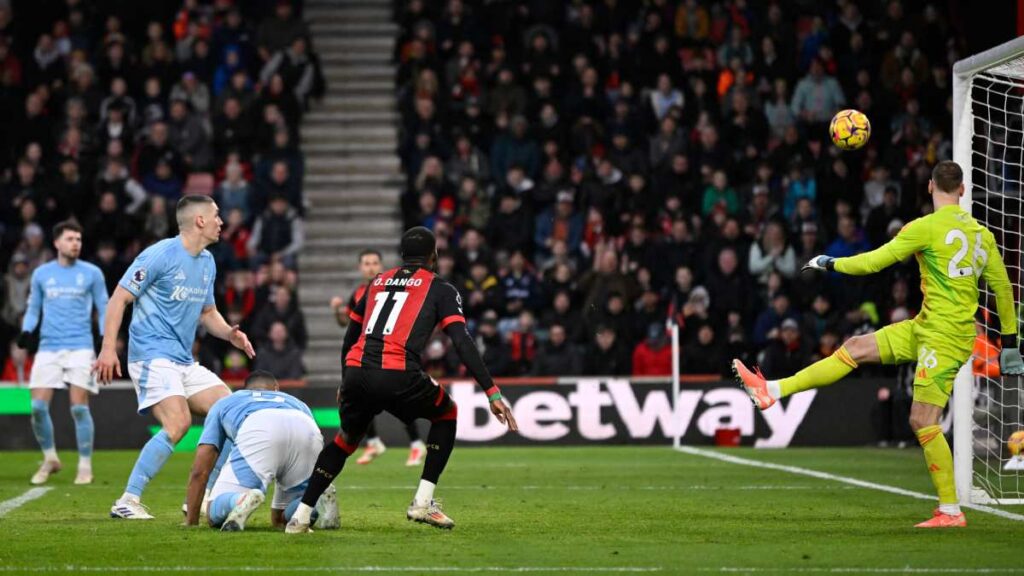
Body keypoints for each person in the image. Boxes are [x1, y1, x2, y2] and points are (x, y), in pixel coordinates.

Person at [734, 161, 1024, 528]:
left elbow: (873, 263)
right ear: (963, 191)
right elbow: (1002, 289)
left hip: (946, 337)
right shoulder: (983, 235)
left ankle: (950, 511)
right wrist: (1010, 342)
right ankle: (772, 389)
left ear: (931, 188)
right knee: (856, 347)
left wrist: (830, 262)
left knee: (921, 419)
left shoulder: (924, 227)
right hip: (927, 326)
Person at [286, 227, 517, 533]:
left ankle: (300, 518)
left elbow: (349, 337)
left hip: (356, 370)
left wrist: (345, 380)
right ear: (433, 255)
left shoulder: (376, 283)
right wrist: (491, 391)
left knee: (345, 440)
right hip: (396, 371)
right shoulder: (441, 288)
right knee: (447, 413)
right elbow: (462, 342)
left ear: (402, 255)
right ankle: (423, 503)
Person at [97, 195, 256, 519]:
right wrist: (108, 348)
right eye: (216, 215)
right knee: (178, 422)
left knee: (230, 413)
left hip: (182, 360)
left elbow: (208, 312)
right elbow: (118, 299)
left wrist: (229, 334)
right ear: (199, 221)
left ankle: (203, 497)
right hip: (151, 354)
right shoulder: (160, 254)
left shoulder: (207, 262)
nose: (221, 221)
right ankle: (127, 500)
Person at [184, 370, 339, 532]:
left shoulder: (226, 402)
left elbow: (200, 470)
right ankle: (319, 502)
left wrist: (191, 522)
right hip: (305, 427)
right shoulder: (297, 402)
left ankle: (240, 500)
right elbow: (314, 439)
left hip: (259, 425)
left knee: (213, 512)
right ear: (276, 388)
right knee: (282, 518)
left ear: (245, 389)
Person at [17, 221, 108, 485]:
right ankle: (50, 458)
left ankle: (84, 465)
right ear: (57, 243)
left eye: (78, 239)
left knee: (79, 408)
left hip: (80, 347)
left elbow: (103, 306)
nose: (75, 243)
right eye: (70, 239)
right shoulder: (42, 274)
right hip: (48, 347)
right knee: (37, 407)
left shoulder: (92, 273)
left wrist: (104, 335)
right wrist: (27, 331)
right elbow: (34, 307)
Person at [329, 249, 427, 467]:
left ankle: (415, 443)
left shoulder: (393, 287)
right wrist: (337, 311)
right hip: (365, 354)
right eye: (366, 263)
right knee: (360, 397)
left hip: (389, 352)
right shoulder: (357, 293)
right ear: (360, 268)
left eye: (374, 263)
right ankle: (374, 442)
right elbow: (346, 323)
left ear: (381, 266)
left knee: (394, 397)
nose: (371, 267)